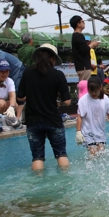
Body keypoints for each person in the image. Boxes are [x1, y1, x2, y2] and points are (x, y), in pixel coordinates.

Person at [16, 43, 71, 171]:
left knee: (37, 157)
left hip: (33, 120)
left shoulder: (28, 71)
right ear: (52, 58)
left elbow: (20, 98)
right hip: (53, 120)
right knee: (61, 154)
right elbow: (68, 101)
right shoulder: (58, 75)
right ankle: (66, 183)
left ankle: (37, 184)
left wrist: (33, 94)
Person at [75, 77, 109, 156]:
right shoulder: (83, 100)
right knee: (93, 153)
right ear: (88, 89)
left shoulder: (105, 99)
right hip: (87, 132)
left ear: (100, 87)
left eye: (95, 91)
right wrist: (78, 132)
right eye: (91, 91)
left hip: (100, 131)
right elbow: (80, 116)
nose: (93, 93)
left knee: (101, 153)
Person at [70, 15, 99, 80]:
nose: (84, 23)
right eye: (82, 21)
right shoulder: (78, 36)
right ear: (78, 24)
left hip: (82, 67)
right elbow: (84, 49)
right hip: (83, 67)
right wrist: (92, 44)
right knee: (85, 87)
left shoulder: (76, 36)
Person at [0, 59, 17, 124]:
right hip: (0, 104)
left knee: (15, 105)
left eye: (7, 71)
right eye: (2, 71)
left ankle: (4, 121)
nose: (5, 74)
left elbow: (12, 96)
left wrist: (12, 107)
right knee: (1, 103)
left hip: (1, 104)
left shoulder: (9, 81)